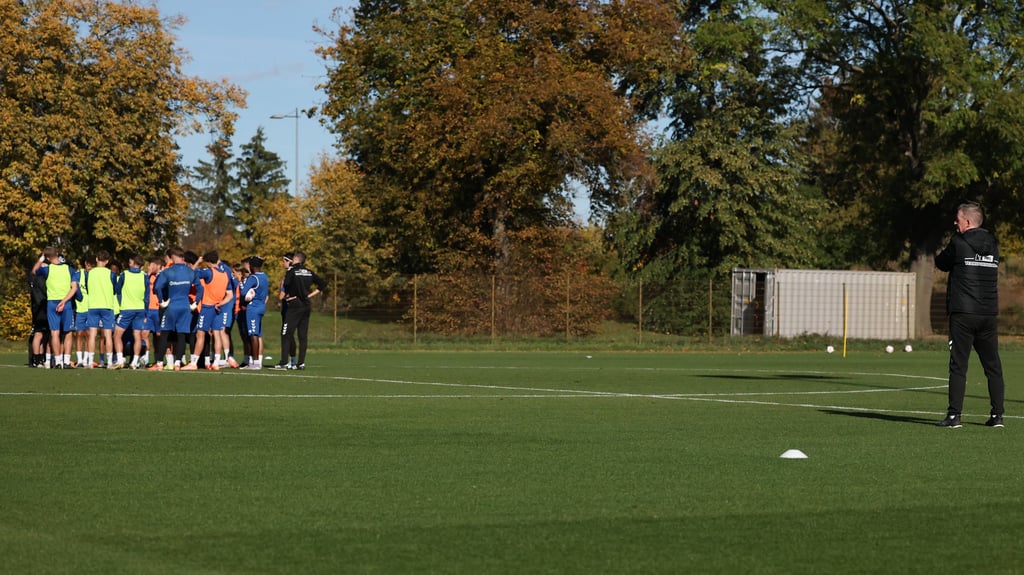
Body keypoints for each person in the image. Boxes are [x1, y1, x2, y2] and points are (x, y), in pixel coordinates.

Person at [935, 202, 1005, 428]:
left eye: (957, 219)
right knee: (993, 366)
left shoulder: (959, 242)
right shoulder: (994, 244)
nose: (954, 223)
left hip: (964, 313)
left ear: (967, 221)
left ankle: (954, 416)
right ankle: (997, 416)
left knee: (958, 365)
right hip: (988, 313)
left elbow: (941, 263)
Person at [148, 247, 198, 371]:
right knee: (181, 335)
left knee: (165, 334)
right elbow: (200, 288)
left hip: (171, 305)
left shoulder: (168, 270)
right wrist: (196, 302)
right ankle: (177, 363)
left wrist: (161, 301)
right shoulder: (190, 271)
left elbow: (157, 287)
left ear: (172, 257)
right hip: (185, 306)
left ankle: (160, 363)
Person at [274, 251, 325, 370]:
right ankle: (301, 363)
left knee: (286, 333)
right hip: (306, 304)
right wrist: (309, 296)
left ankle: (283, 362)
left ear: (295, 259)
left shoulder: (292, 271)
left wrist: (289, 294)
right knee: (302, 335)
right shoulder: (309, 272)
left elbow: (286, 285)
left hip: (294, 305)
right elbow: (322, 284)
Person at [31, 247, 79, 368]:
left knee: (54, 333)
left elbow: (34, 270)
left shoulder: (47, 269)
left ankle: (58, 361)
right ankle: (66, 361)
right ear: (57, 254)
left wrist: (41, 258)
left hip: (52, 303)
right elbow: (74, 288)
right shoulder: (69, 269)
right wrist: (64, 301)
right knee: (68, 333)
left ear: (47, 258)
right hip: (66, 303)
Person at [113, 254, 150, 369]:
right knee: (137, 336)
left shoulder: (125, 274)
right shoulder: (144, 276)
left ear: (134, 263)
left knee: (117, 335)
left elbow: (117, 290)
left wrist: (120, 303)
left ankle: (120, 360)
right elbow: (147, 296)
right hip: (140, 309)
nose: (129, 264)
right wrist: (145, 312)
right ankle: (134, 362)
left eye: (130, 262)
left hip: (127, 309)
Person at [85, 250, 119, 369]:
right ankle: (109, 362)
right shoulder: (111, 274)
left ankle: (90, 362)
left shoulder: (89, 273)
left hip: (93, 305)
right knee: (108, 335)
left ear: (96, 259)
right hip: (107, 306)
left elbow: (88, 288)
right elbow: (115, 290)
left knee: (92, 335)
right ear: (107, 261)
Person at [239, 256, 269, 369]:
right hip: (261, 306)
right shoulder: (265, 276)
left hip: (253, 308)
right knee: (258, 334)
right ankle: (256, 361)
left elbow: (243, 292)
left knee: (252, 334)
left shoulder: (253, 278)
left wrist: (247, 297)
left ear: (251, 266)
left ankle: (255, 363)